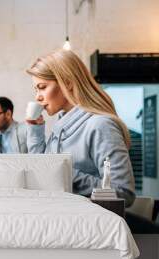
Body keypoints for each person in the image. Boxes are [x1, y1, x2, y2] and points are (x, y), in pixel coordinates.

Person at [25, 49, 136, 207]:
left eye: (42, 87)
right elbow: (41, 171)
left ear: (68, 82)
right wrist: (35, 132)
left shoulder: (100, 126)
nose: (37, 97)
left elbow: (123, 191)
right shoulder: (62, 126)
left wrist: (63, 174)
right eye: (36, 89)